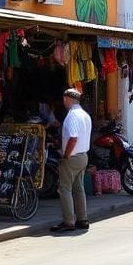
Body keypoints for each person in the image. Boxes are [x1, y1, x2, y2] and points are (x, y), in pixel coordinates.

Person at [51, 89, 92, 233]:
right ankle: (82, 219)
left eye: (64, 99)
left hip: (73, 157)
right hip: (83, 156)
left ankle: (68, 221)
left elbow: (73, 138)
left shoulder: (72, 116)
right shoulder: (85, 115)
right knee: (78, 188)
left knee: (64, 189)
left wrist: (65, 156)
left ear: (67, 99)